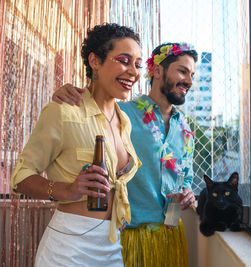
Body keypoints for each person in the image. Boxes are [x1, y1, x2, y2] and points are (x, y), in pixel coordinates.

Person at [52, 42, 198, 267]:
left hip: (171, 237)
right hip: (128, 239)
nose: (189, 81)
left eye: (192, 75)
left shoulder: (185, 129)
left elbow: (184, 178)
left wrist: (187, 192)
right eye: (182, 71)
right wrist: (66, 92)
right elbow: (89, 106)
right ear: (157, 71)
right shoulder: (122, 114)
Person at [10, 23, 142, 266]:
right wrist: (67, 191)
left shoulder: (124, 121)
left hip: (112, 245)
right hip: (68, 249)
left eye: (137, 64)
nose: (133, 71)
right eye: (124, 60)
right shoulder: (63, 111)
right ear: (95, 61)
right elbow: (20, 177)